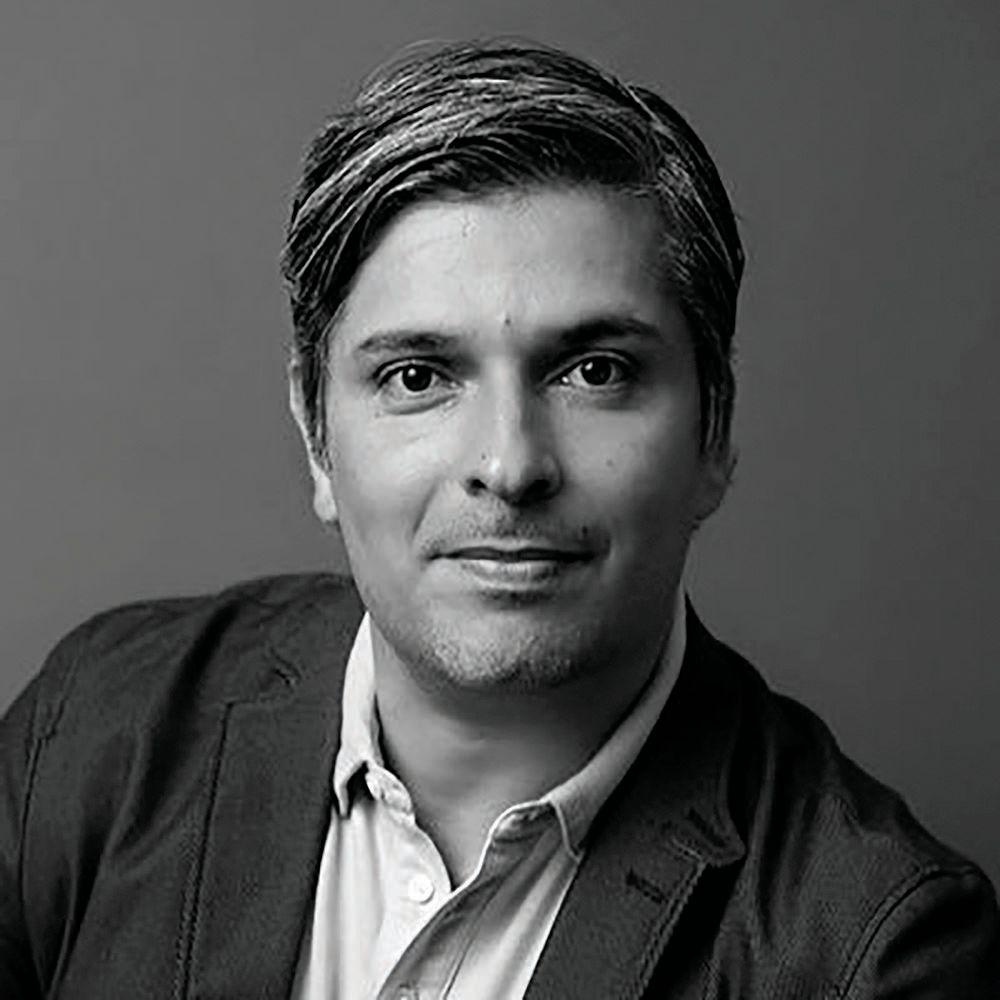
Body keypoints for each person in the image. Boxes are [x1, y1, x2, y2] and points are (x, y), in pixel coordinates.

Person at [1, 39, 996, 1000]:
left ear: (715, 429)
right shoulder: (95, 733)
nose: (509, 466)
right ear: (315, 433)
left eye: (595, 371)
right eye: (418, 377)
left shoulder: (881, 952)